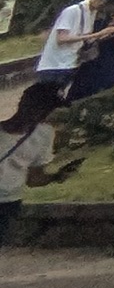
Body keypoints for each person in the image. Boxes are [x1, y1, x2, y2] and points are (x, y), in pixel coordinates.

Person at [0, 81, 62, 221]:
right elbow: (34, 180)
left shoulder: (45, 134)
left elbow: (34, 179)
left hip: (9, 203)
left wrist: (58, 176)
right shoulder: (44, 134)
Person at [65, 0, 114, 103]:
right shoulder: (101, 21)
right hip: (96, 57)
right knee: (83, 81)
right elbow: (94, 38)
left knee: (105, 84)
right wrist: (112, 28)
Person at [30, 0, 95, 93]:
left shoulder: (92, 13)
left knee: (58, 95)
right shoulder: (72, 11)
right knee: (44, 96)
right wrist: (96, 35)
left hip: (70, 63)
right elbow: (61, 38)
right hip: (53, 66)